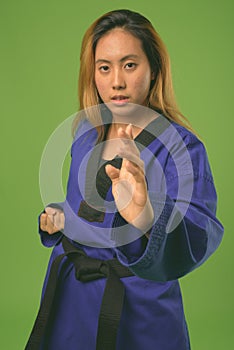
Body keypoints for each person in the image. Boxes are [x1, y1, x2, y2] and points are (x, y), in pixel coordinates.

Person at [25, 9, 224, 350]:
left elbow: (200, 232)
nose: (116, 81)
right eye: (104, 67)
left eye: (129, 65)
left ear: (154, 69)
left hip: (138, 306)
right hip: (71, 297)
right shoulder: (86, 133)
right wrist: (59, 218)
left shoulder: (182, 149)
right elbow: (86, 212)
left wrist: (146, 217)